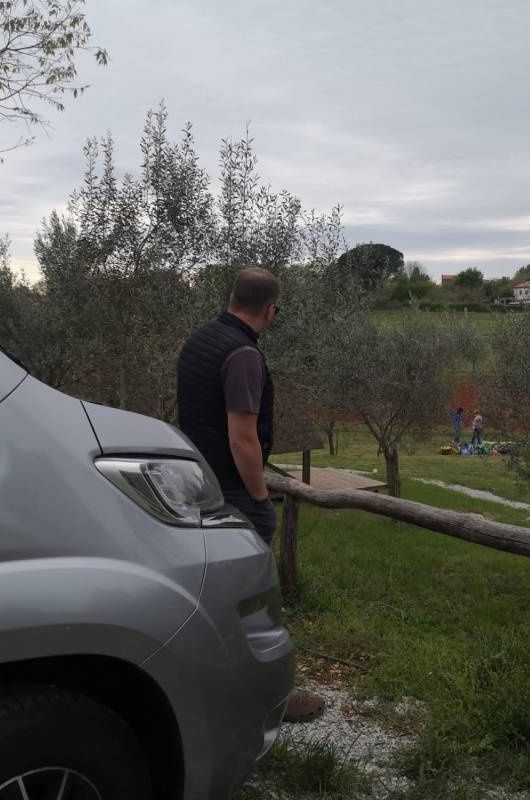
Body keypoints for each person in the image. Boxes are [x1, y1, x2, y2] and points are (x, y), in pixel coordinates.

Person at [177, 267, 325, 724]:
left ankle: (202, 691)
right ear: (271, 311)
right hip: (232, 494)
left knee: (213, 598)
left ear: (232, 296)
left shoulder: (200, 339)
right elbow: (242, 438)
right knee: (251, 604)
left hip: (197, 484)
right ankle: (266, 700)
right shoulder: (242, 355)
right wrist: (260, 497)